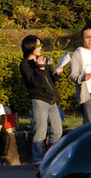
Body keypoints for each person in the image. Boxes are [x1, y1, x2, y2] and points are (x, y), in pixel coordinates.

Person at [20, 35, 64, 164]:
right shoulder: (25, 65)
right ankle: (38, 159)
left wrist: (57, 74)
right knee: (40, 132)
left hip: (52, 100)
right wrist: (40, 68)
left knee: (57, 131)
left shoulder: (41, 60)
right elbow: (34, 82)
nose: (41, 48)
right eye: (38, 45)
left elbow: (49, 79)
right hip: (39, 100)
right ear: (30, 47)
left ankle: (51, 157)